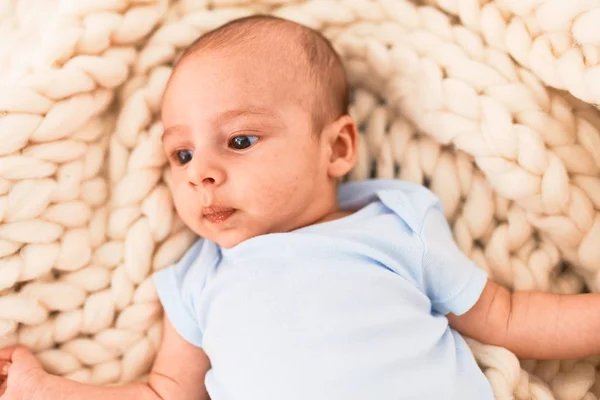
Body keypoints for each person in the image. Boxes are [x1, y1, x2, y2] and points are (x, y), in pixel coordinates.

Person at [1, 15, 598, 400]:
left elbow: (511, 316)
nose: (201, 171)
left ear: (336, 148)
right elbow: (161, 395)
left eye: (239, 141)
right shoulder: (196, 282)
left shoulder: (392, 226)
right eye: (181, 155)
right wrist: (45, 390)